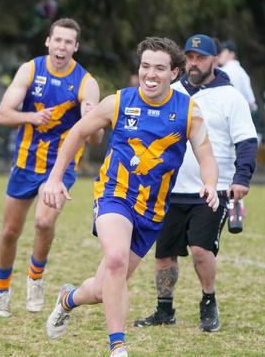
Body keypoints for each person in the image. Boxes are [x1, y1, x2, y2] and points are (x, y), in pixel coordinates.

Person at [42, 37, 220, 357]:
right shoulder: (119, 102)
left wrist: (209, 183)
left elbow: (206, 155)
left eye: (160, 68)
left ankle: (68, 298)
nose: (150, 74)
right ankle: (118, 347)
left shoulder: (189, 112)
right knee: (114, 259)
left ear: (174, 73)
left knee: (102, 288)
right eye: (145, 66)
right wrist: (54, 178)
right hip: (115, 194)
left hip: (152, 211)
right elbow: (78, 133)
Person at [134, 34, 257, 332]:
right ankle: (165, 310)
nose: (194, 62)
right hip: (169, 189)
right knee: (164, 254)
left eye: (200, 57)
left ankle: (208, 302)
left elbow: (247, 142)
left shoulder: (230, 97)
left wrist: (241, 178)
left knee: (201, 250)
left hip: (211, 190)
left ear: (214, 59)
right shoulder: (172, 92)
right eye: (189, 57)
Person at [0, 18, 100, 317]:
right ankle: (2, 289)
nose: (62, 46)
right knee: (10, 231)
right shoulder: (30, 69)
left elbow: (95, 138)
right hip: (26, 162)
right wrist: (32, 118)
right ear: (48, 42)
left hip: (60, 167)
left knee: (43, 222)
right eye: (58, 40)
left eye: (69, 42)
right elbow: (2, 115)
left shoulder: (86, 83)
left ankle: (35, 280)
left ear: (75, 47)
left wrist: (92, 123)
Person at [218, 40, 265, 172]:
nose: (220, 55)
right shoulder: (242, 72)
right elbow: (251, 102)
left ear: (232, 54)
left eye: (223, 51)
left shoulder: (223, 71)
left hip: (224, 118)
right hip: (240, 121)